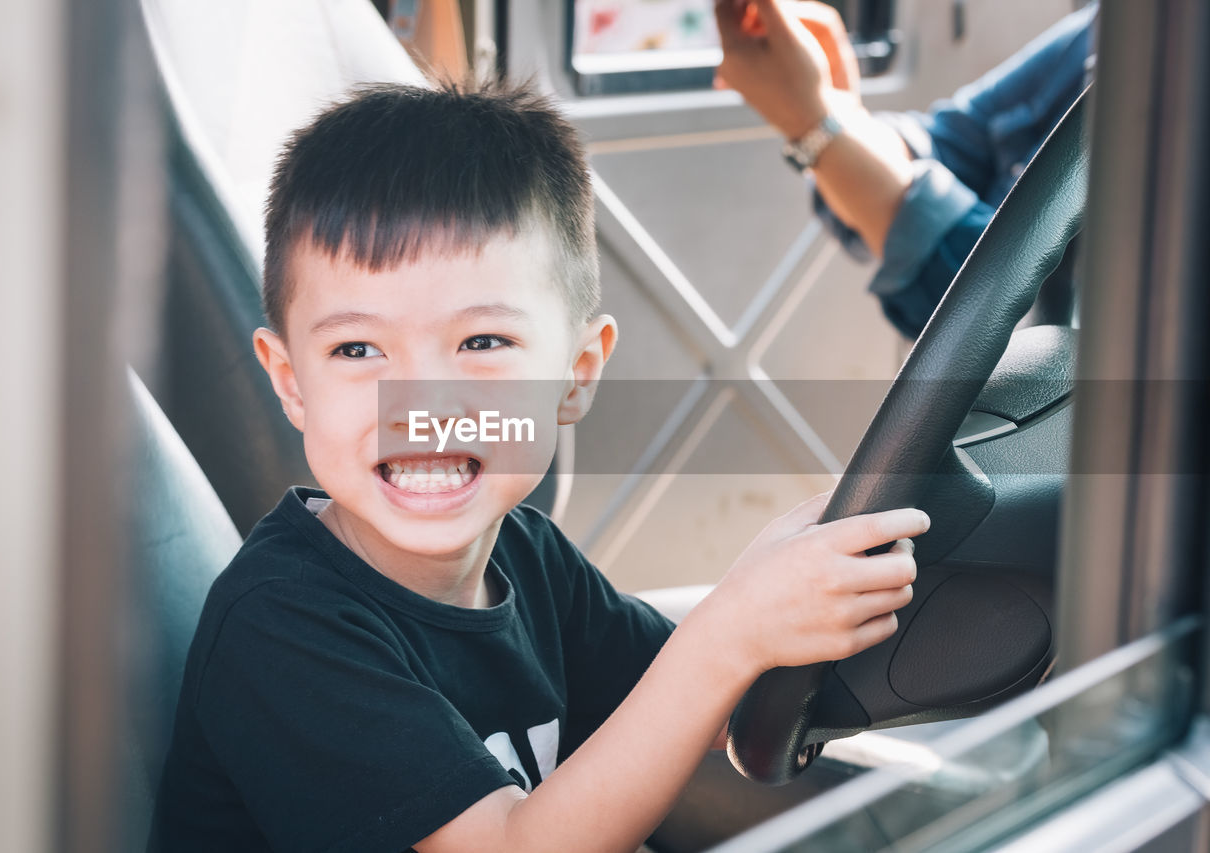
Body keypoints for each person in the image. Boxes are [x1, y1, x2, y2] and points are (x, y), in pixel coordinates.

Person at [148, 79, 928, 853]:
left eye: (482, 343)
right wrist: (730, 632)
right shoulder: (281, 625)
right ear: (291, 381)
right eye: (358, 349)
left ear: (578, 371)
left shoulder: (528, 556)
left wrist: (804, 587)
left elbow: (706, 702)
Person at [714, 0, 1096, 338]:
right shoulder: (1103, 30)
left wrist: (814, 122)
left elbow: (984, 317)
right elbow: (955, 142)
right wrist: (837, 112)